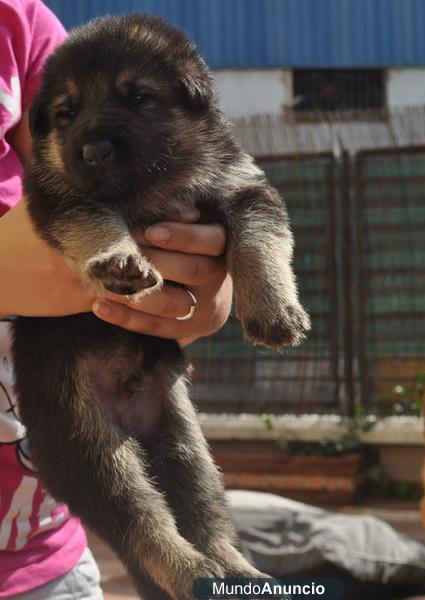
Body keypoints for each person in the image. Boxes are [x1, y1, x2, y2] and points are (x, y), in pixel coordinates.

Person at [0, 0, 233, 597]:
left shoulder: (18, 23)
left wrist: (205, 290)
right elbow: (63, 223)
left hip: (39, 553)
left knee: (195, 506)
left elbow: (65, 179)